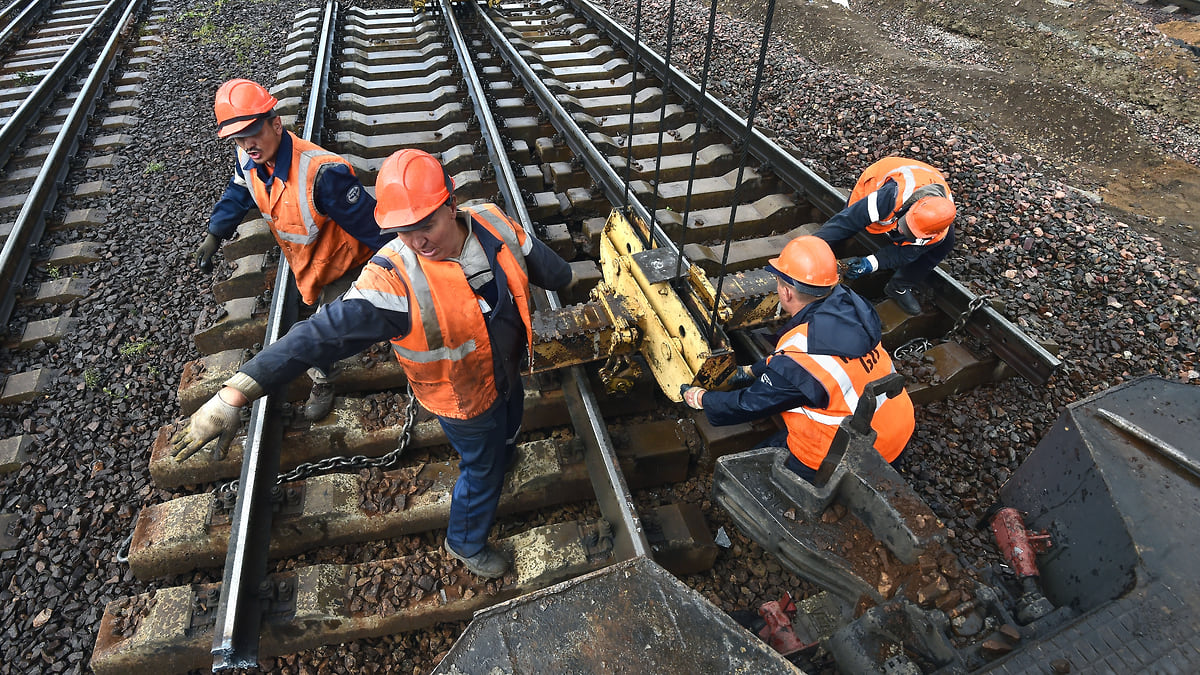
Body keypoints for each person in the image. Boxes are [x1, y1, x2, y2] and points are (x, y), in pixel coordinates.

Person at [172, 148, 573, 579]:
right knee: (482, 466)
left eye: (426, 225)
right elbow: (316, 336)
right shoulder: (392, 281)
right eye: (404, 231)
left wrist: (568, 279)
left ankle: (504, 454)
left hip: (507, 370)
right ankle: (465, 543)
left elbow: (550, 269)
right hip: (463, 398)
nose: (418, 241)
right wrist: (234, 394)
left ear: (451, 204)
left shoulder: (493, 222)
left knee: (510, 425)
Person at [197, 78, 395, 421]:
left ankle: (324, 380)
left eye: (253, 132)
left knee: (321, 329)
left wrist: (399, 272)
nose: (247, 144)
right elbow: (239, 192)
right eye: (238, 138)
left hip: (343, 265)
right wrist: (215, 233)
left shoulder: (323, 174)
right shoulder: (247, 156)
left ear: (276, 124)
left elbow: (372, 228)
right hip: (308, 263)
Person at [680, 236, 914, 482]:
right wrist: (752, 371)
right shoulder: (851, 309)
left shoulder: (803, 360)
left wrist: (702, 399)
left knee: (745, 473)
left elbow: (749, 404)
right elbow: (798, 360)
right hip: (897, 426)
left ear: (786, 292)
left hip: (860, 456)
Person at [814, 156, 956, 316]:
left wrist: (869, 263)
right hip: (880, 178)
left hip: (925, 188)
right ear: (912, 208)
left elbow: (905, 253)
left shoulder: (937, 230)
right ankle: (822, 257)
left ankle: (899, 287)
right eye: (905, 225)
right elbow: (846, 222)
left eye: (909, 231)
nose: (901, 231)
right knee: (846, 226)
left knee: (946, 243)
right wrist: (812, 247)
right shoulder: (889, 196)